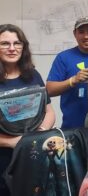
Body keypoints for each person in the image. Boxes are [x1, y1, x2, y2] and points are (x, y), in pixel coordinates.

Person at [0, 24, 55, 196]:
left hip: (32, 154)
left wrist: (40, 134)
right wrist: (12, 142)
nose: (11, 48)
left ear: (23, 47)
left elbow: (49, 111)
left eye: (17, 43)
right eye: (4, 44)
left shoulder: (33, 75)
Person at [46, 17, 88, 129]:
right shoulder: (63, 57)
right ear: (75, 33)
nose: (86, 36)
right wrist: (73, 80)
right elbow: (49, 90)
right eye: (81, 32)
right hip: (71, 128)